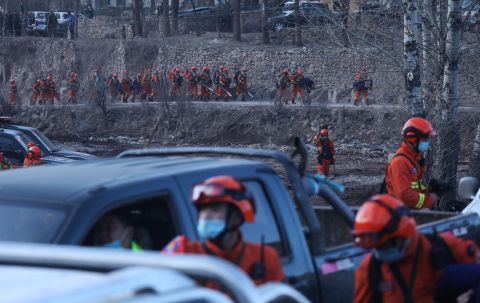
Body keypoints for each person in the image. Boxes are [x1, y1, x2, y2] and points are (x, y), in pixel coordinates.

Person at [353, 194, 478, 303]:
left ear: (404, 235)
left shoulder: (442, 247)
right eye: (377, 247)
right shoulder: (370, 269)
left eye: (386, 245)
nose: (381, 252)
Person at [163, 175, 285, 286]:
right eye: (203, 209)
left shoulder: (265, 257)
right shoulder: (183, 253)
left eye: (214, 209)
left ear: (237, 217)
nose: (205, 216)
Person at [385, 117, 438, 209]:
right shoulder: (400, 162)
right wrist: (429, 199)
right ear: (413, 139)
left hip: (409, 213)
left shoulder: (413, 160)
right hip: (400, 216)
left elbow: (415, 189)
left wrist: (430, 191)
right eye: (425, 140)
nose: (427, 143)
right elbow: (405, 196)